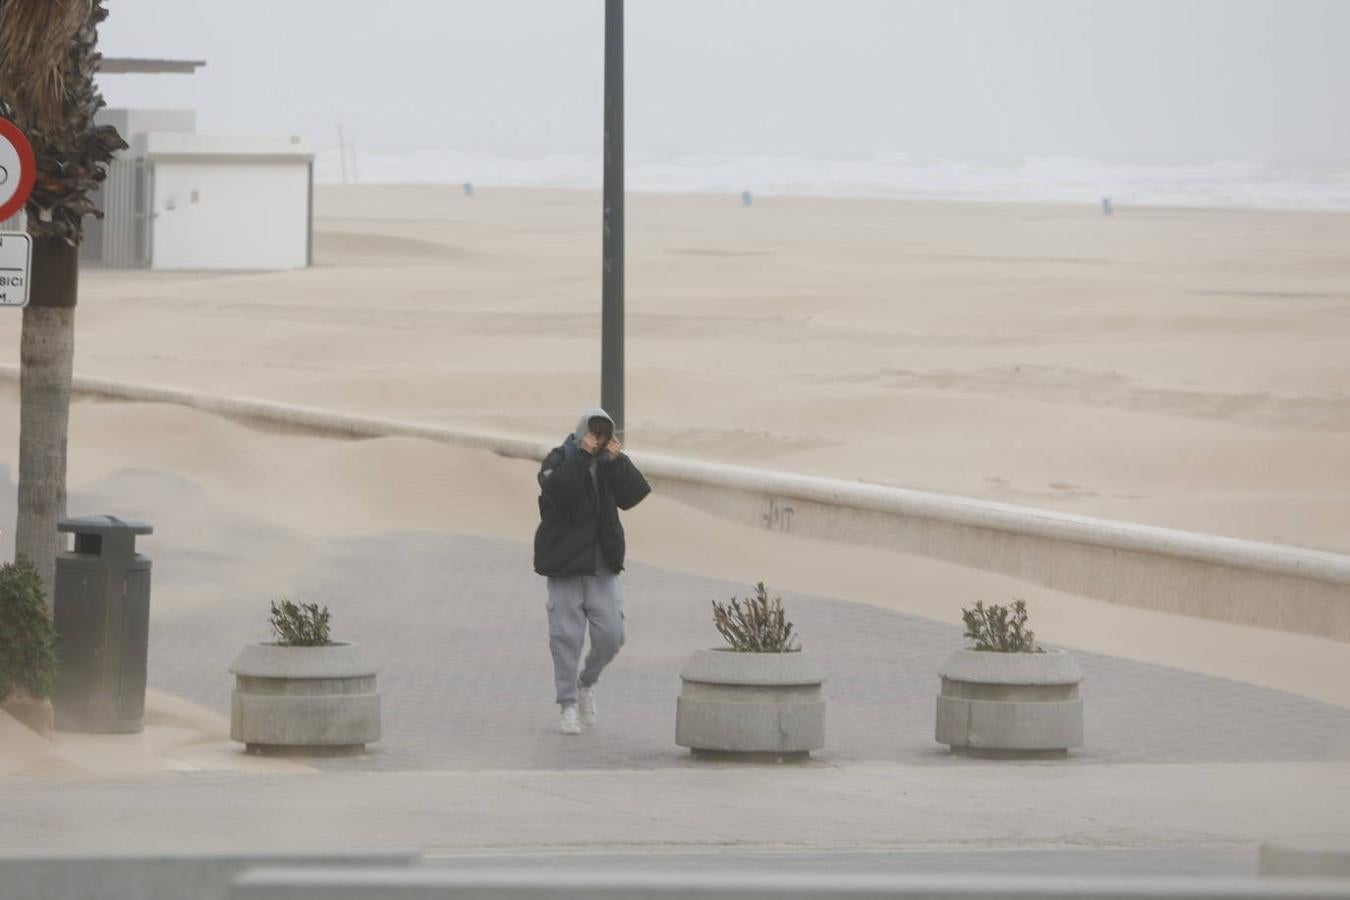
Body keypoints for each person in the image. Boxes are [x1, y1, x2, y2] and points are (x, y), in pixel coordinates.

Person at [534, 407, 651, 735]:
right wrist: (582, 457)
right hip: (565, 566)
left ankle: (587, 683)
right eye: (594, 432)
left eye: (604, 433)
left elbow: (635, 495)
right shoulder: (560, 458)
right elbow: (558, 492)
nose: (598, 439)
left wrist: (618, 461)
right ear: (582, 431)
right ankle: (568, 704)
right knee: (565, 638)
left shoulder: (610, 465)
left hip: (603, 566)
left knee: (612, 636)